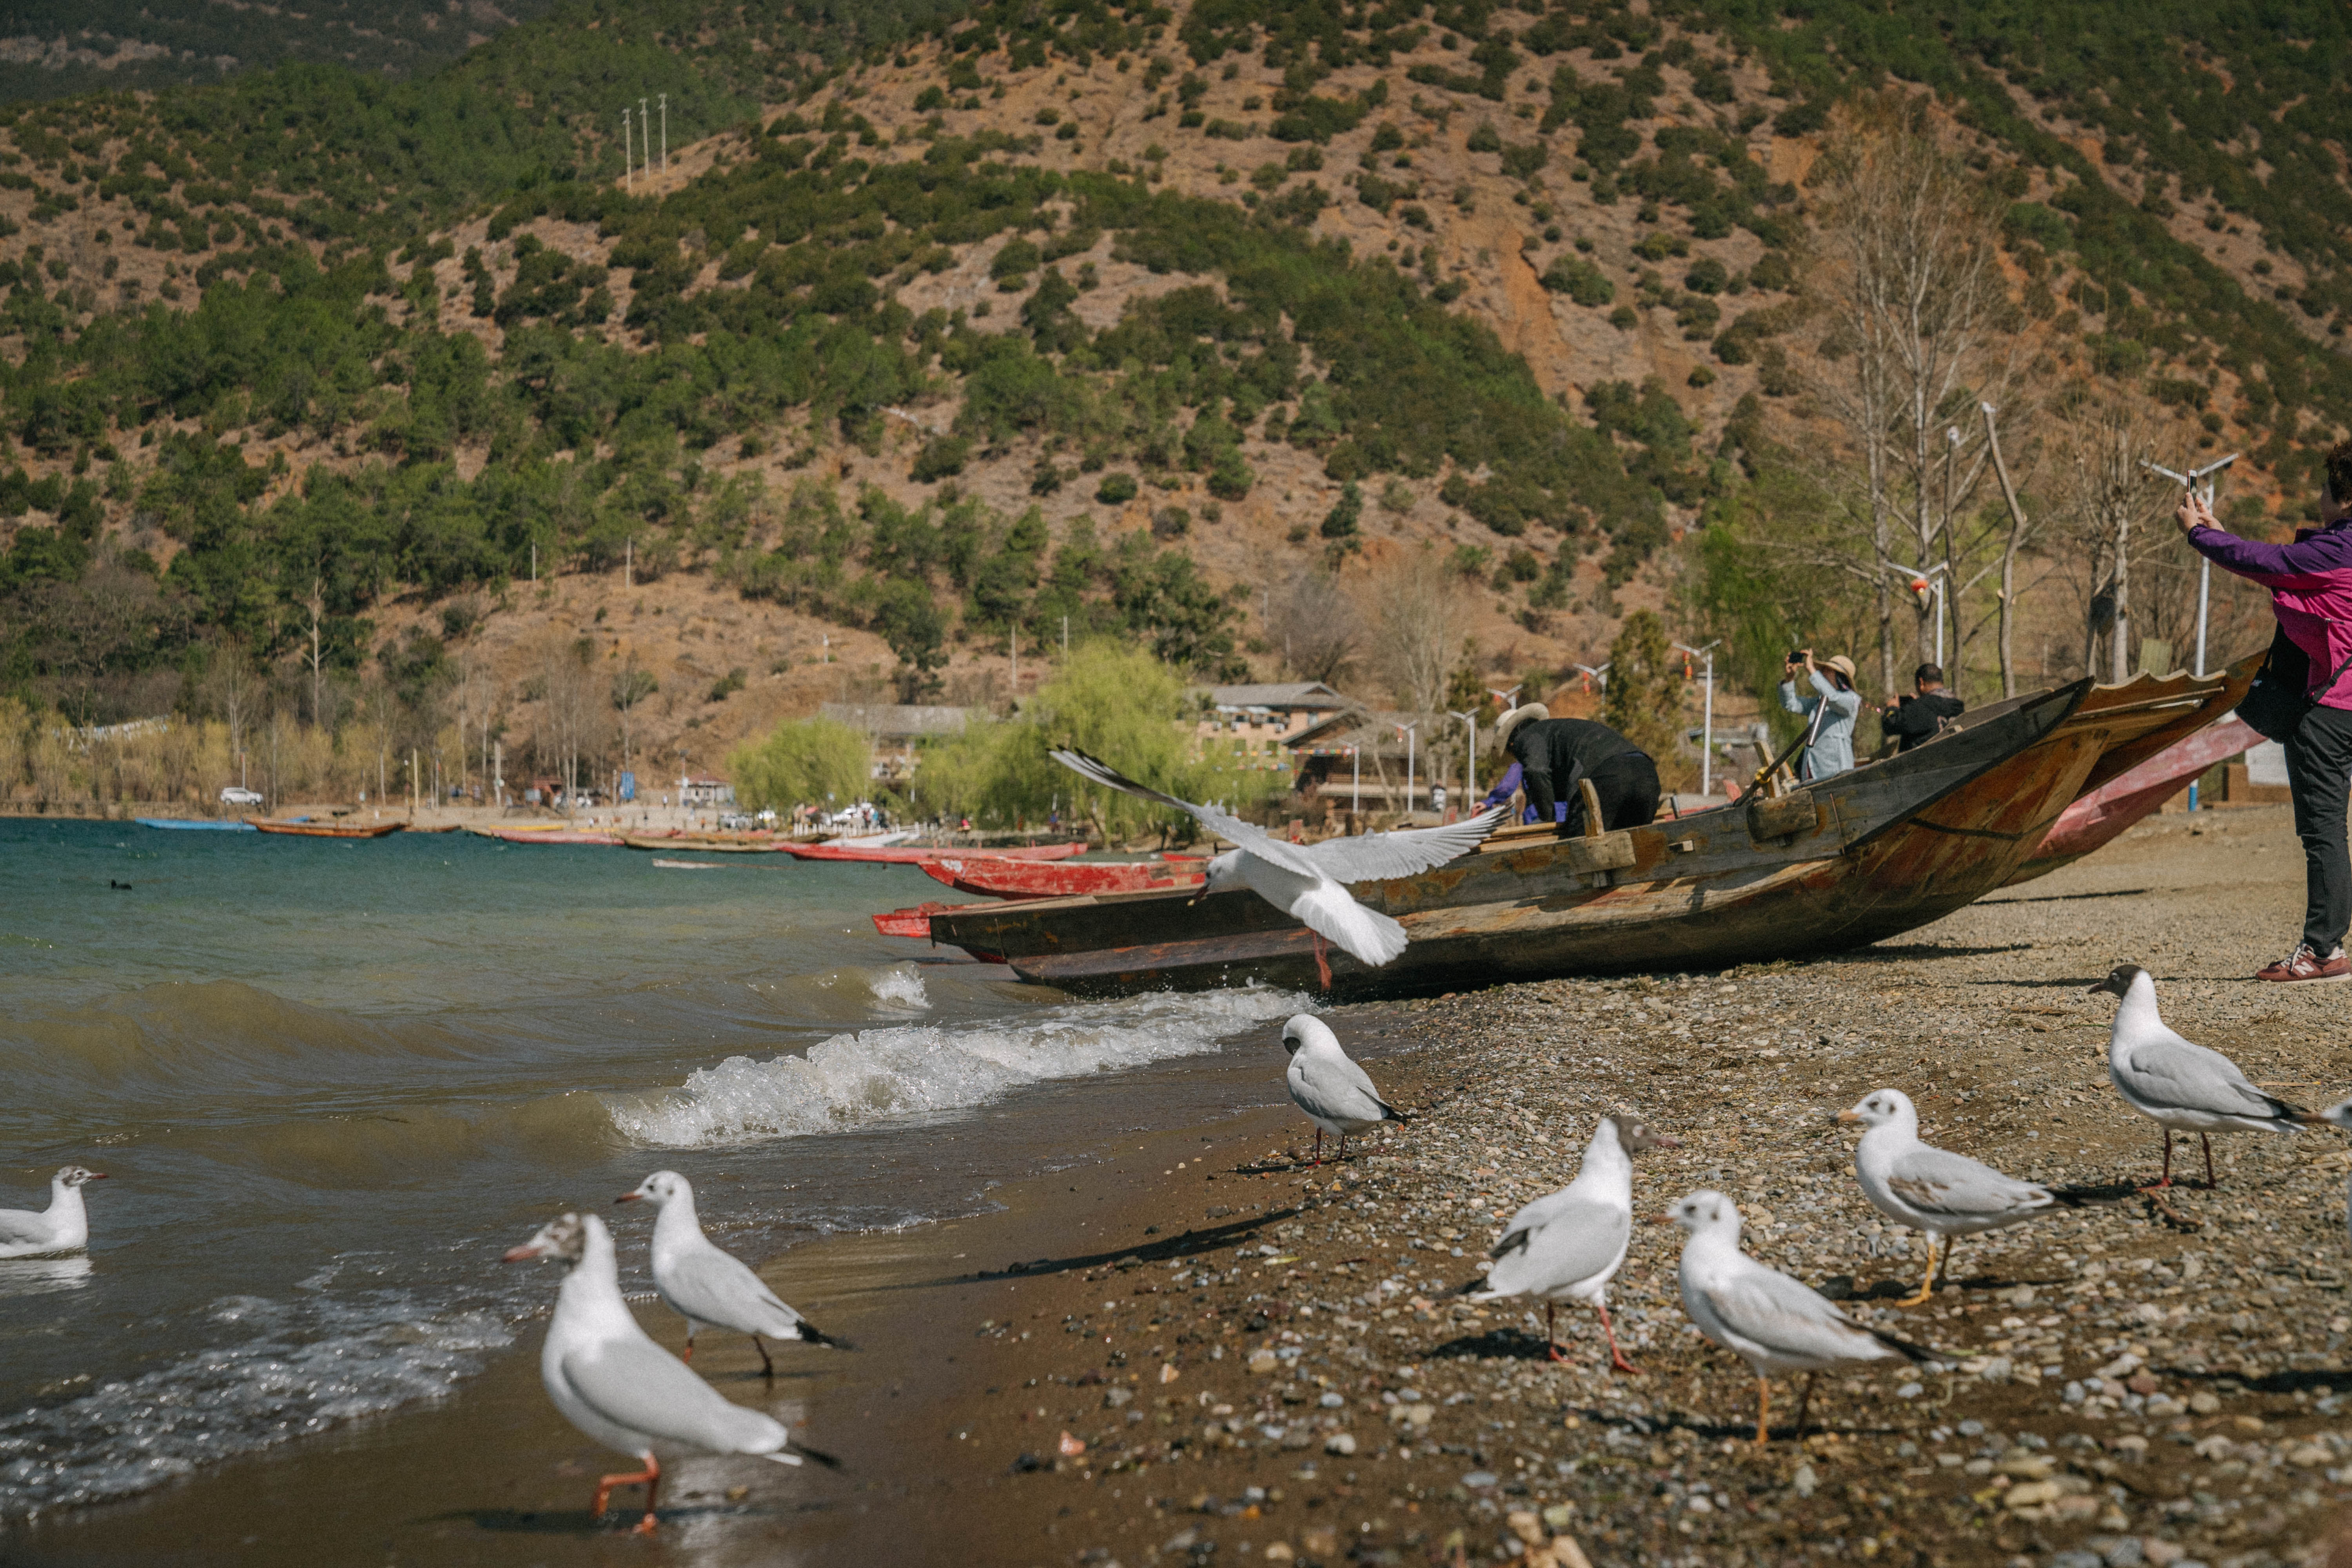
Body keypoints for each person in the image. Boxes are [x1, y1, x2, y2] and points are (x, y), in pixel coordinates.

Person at [2177, 441, 2352, 983]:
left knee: (2324, 829)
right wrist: (2218, 529)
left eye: (2325, 488)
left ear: (2344, 498)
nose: (2319, 497)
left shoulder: (2338, 550)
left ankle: (2323, 952)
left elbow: (2268, 563)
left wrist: (2198, 533)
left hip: (2329, 709)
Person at [1491, 704, 1660, 838]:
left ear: (1511, 745)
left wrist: (1548, 820)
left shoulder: (1526, 738)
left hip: (1607, 778)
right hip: (1646, 772)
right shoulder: (1558, 731)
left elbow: (1536, 771)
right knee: (1637, 844)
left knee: (1579, 846)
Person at [1778, 651, 1861, 781]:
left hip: (1836, 770)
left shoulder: (1852, 700)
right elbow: (1791, 704)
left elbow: (1833, 698)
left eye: (1827, 671)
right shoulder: (1819, 702)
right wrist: (1790, 678)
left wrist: (1812, 670)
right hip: (1812, 768)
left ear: (1839, 676)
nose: (1822, 674)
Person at [1881, 662, 1965, 753]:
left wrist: (1892, 708)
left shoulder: (1921, 707)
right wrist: (1915, 705)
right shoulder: (1958, 707)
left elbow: (1890, 726)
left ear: (1921, 683)